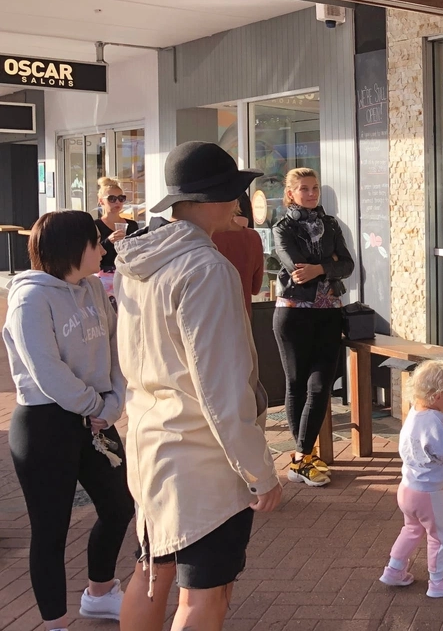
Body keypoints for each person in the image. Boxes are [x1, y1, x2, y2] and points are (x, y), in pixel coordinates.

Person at [116, 142, 282, 631]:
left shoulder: (138, 262)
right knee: (206, 596)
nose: (239, 203)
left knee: (151, 573)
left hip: (149, 443)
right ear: (214, 198)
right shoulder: (206, 269)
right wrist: (258, 470)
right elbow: (222, 386)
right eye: (235, 192)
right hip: (202, 458)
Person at [3, 211, 134, 631]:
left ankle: (100, 595)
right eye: (95, 242)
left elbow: (116, 347)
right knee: (50, 528)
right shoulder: (29, 298)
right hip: (45, 424)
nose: (102, 249)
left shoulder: (94, 288)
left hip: (95, 416)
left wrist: (112, 404)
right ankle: (55, 622)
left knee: (119, 505)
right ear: (69, 248)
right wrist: (95, 406)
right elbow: (46, 370)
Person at [273, 167, 355, 487]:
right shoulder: (282, 227)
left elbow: (347, 265)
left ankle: (300, 458)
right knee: (296, 385)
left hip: (329, 312)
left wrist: (321, 266)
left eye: (315, 188)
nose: (310, 194)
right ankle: (303, 457)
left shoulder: (331, 224)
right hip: (293, 313)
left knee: (321, 386)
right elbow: (296, 269)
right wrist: (328, 264)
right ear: (291, 193)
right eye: (304, 188)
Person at [379, 359, 443, 598]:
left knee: (411, 530)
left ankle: (394, 570)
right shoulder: (436, 421)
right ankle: (439, 582)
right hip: (430, 493)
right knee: (440, 538)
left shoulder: (415, 414)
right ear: (439, 396)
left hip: (408, 489)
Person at [212, 194, 265, 316]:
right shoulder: (253, 238)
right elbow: (255, 288)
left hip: (209, 319)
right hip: (242, 319)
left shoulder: (205, 237)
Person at [94, 177, 139, 295]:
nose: (117, 202)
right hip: (104, 277)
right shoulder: (95, 226)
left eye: (121, 198)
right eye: (112, 199)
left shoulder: (132, 225)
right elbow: (92, 254)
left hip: (128, 276)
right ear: (101, 201)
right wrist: (108, 241)